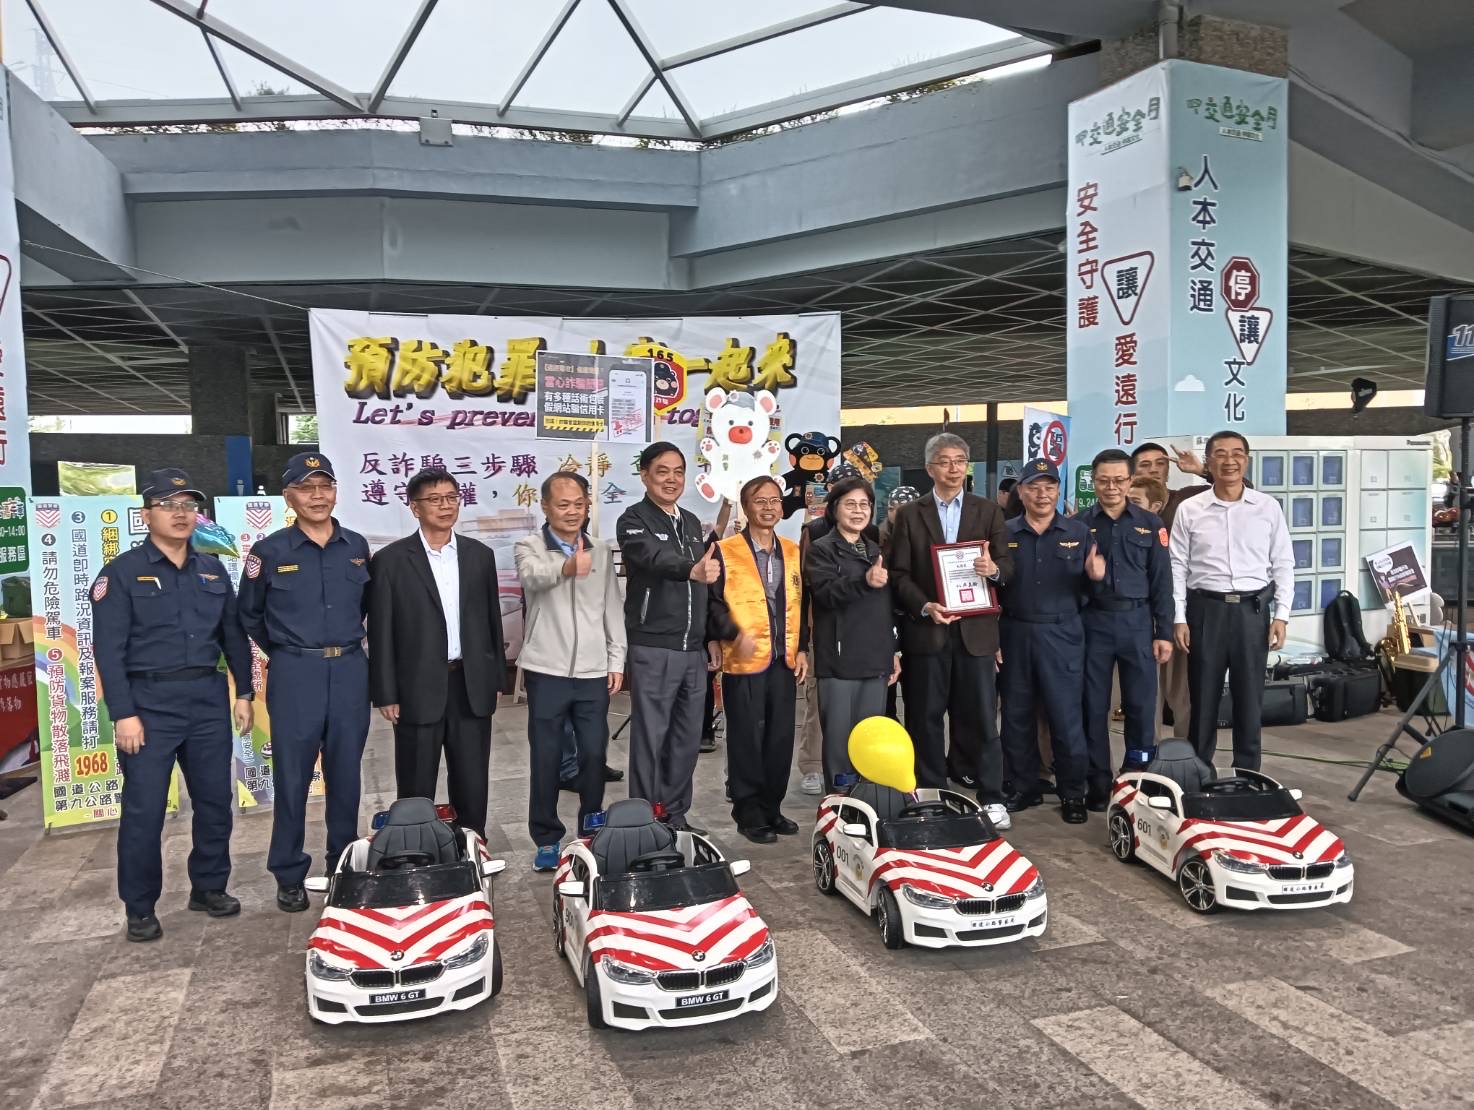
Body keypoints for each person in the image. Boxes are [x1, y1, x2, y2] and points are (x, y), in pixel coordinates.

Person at [90, 468, 255, 942]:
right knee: (144, 811)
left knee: (214, 802)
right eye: (168, 505)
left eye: (188, 506)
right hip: (148, 705)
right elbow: (109, 651)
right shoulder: (121, 573)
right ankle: (140, 906)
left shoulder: (212, 569)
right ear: (146, 515)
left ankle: (209, 887)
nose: (180, 514)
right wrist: (123, 713)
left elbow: (233, 637)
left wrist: (243, 692)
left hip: (206, 699)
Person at [236, 452, 370, 913]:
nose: (318, 496)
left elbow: (364, 606)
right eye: (306, 488)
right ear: (288, 497)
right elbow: (249, 615)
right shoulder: (270, 552)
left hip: (349, 670)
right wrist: (288, 650)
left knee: (346, 775)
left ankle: (342, 866)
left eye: (325, 486)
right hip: (296, 674)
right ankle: (289, 873)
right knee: (292, 777)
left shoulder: (355, 546)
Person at [368, 467, 506, 837]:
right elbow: (380, 631)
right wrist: (386, 692)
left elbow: (491, 621)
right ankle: (417, 847)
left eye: (451, 498)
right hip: (416, 686)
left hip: (470, 683)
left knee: (472, 776)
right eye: (434, 499)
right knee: (416, 780)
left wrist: (495, 678)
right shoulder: (391, 561)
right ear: (414, 508)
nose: (445, 506)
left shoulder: (479, 556)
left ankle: (473, 844)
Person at [889, 432, 1013, 827]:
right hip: (928, 631)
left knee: (981, 717)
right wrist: (925, 606)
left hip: (976, 633)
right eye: (944, 461)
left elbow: (1008, 567)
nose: (953, 468)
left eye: (960, 460)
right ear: (930, 468)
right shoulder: (911, 515)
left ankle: (992, 796)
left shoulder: (987, 511)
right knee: (924, 717)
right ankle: (930, 794)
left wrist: (993, 570)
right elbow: (899, 573)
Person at [515, 471, 627, 871]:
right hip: (546, 670)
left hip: (593, 672)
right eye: (563, 504)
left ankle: (591, 828)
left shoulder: (601, 550)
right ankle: (546, 838)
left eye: (579, 504)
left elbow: (612, 607)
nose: (572, 511)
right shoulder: (529, 547)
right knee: (546, 757)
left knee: (594, 754)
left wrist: (616, 659)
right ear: (545, 506)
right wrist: (566, 566)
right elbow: (531, 578)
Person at [1171, 431, 1295, 772]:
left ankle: (1248, 773)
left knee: (1249, 699)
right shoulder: (1190, 509)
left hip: (1251, 613)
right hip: (1205, 612)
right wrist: (1179, 617)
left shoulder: (1267, 507)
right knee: (1203, 699)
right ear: (1209, 462)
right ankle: (1199, 772)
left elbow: (1283, 562)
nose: (1230, 461)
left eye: (1237, 453)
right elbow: (1177, 566)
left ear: (1247, 460)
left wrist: (1281, 615)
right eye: (1221, 454)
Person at [997, 459, 1105, 823]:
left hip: (1063, 633)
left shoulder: (1079, 532)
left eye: (1049, 487)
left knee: (1066, 716)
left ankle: (1072, 793)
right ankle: (1022, 786)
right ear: (1021, 492)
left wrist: (1096, 578)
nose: (1042, 494)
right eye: (1033, 487)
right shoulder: (1005, 532)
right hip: (1015, 632)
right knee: (1016, 715)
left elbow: (1093, 591)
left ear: (1058, 491)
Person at [616, 442, 715, 833]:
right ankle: (644, 819)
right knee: (650, 738)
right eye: (662, 471)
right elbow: (652, 557)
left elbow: (706, 582)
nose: (672, 479)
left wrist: (711, 637)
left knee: (686, 739)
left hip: (693, 649)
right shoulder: (633, 520)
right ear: (645, 476)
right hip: (654, 645)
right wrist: (691, 570)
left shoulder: (690, 521)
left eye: (678, 471)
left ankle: (674, 814)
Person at [706, 476, 806, 843]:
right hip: (742, 660)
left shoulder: (792, 551)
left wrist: (803, 648)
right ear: (746, 507)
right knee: (746, 737)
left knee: (780, 737)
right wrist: (731, 634)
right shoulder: (725, 550)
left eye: (774, 500)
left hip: (783, 659)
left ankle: (772, 806)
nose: (768, 507)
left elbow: (802, 603)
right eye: (759, 500)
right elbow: (713, 602)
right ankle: (748, 810)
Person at [1079, 449, 1174, 811]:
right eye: (1103, 480)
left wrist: (1164, 632)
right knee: (1093, 706)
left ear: (1131, 480)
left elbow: (1162, 582)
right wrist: (1089, 577)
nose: (1111, 487)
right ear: (1094, 482)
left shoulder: (1150, 524)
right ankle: (1097, 782)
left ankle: (1137, 779)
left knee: (1140, 705)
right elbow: (1066, 584)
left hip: (1138, 623)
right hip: (1094, 623)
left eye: (1119, 480)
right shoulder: (1079, 525)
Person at [805, 476, 901, 789]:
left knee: (868, 739)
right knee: (839, 740)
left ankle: (865, 801)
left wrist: (893, 651)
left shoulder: (876, 550)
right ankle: (840, 801)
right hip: (839, 661)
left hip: (875, 659)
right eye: (850, 504)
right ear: (834, 509)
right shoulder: (821, 549)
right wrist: (863, 581)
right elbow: (824, 594)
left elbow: (886, 609)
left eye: (864, 504)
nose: (858, 511)